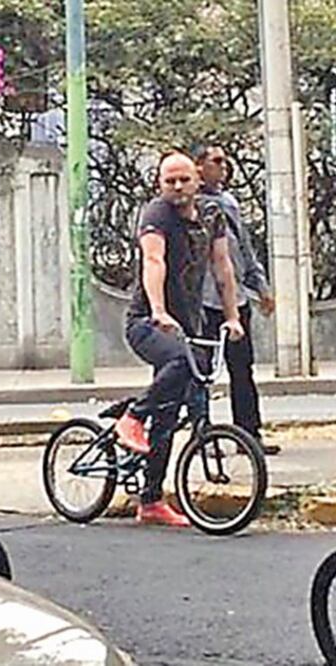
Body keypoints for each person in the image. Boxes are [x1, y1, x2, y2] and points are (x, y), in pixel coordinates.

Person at [114, 150, 245, 528]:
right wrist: (158, 310)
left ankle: (151, 500)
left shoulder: (211, 215)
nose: (177, 186)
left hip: (188, 324)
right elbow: (154, 261)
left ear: (197, 181)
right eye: (169, 180)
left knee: (170, 412)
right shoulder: (156, 215)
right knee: (176, 364)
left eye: (183, 179)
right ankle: (133, 416)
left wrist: (233, 316)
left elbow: (223, 267)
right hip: (147, 323)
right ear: (160, 184)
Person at [195, 144, 278, 455]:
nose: (223, 167)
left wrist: (261, 287)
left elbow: (244, 248)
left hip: (237, 299)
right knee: (202, 372)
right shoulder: (192, 205)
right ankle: (202, 438)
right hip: (204, 303)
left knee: (242, 370)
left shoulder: (228, 203)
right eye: (216, 161)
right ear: (199, 166)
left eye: (225, 161)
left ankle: (249, 435)